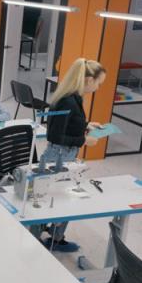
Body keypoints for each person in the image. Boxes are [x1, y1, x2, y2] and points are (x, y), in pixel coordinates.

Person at [39, 58, 107, 253]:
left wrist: (86, 125)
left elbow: (67, 124)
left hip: (64, 154)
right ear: (89, 80)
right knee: (55, 198)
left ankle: (55, 237)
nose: (98, 87)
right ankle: (47, 238)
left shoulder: (73, 97)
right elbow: (54, 135)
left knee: (63, 197)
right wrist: (83, 140)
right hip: (59, 156)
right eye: (99, 83)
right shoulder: (68, 101)